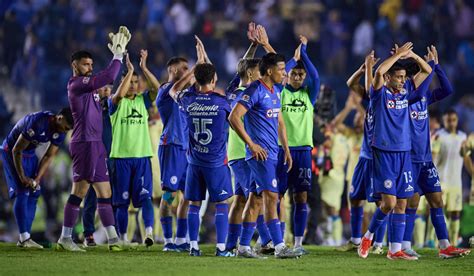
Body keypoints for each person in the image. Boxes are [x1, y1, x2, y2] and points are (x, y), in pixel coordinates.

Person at [57, 26, 131, 252]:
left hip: (96, 144)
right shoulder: (76, 84)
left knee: (105, 193)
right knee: (79, 192)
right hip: (84, 142)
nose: (89, 68)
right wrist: (117, 56)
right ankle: (65, 238)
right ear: (75, 66)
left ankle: (113, 239)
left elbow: (108, 85)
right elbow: (108, 76)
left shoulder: (91, 88)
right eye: (85, 64)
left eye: (91, 65)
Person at [358, 42, 433, 260]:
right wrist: (397, 55)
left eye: (403, 77)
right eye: (398, 77)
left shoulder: (406, 92)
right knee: (388, 203)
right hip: (384, 153)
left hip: (404, 153)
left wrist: (412, 56)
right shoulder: (379, 95)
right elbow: (380, 71)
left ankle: (395, 250)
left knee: (402, 203)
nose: (402, 81)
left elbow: (427, 70)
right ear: (389, 78)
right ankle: (368, 236)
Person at [229, 52, 300, 259]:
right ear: (269, 71)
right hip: (260, 155)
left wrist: (285, 148)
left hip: (273, 152)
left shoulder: (275, 91)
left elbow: (278, 122)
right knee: (272, 197)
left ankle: (242, 247)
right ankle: (279, 247)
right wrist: (251, 144)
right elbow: (234, 117)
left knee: (255, 200)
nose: (284, 73)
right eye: (281, 69)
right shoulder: (255, 89)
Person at [403, 46, 471, 258]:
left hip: (425, 159)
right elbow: (421, 84)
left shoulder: (424, 98)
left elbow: (448, 90)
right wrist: (429, 65)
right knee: (411, 202)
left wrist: (437, 67)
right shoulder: (406, 97)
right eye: (421, 73)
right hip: (409, 158)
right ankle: (404, 246)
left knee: (437, 201)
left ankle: (445, 247)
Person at [169, 37, 233, 256]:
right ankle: (221, 248)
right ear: (214, 79)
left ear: (196, 78)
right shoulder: (222, 101)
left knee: (194, 204)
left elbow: (173, 90)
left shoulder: (187, 99)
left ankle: (193, 246)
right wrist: (204, 60)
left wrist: (198, 63)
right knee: (222, 203)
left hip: (194, 162)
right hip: (216, 162)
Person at [1, 108, 73, 248]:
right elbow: (17, 150)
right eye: (65, 127)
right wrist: (22, 177)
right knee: (22, 192)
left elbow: (48, 156)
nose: (65, 131)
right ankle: (24, 238)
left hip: (30, 155)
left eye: (68, 130)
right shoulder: (38, 122)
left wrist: (37, 179)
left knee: (35, 191)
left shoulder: (61, 131)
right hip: (11, 152)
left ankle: (26, 238)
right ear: (59, 118)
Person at [109, 49, 159, 247]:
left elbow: (158, 89)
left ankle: (148, 233)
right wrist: (129, 71)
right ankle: (122, 239)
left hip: (141, 158)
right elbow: (119, 94)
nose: (133, 85)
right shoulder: (114, 102)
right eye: (130, 81)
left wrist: (143, 68)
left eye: (136, 82)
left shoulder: (142, 101)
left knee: (146, 198)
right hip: (121, 158)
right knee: (122, 203)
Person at [338, 52, 387, 254]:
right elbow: (351, 84)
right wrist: (362, 69)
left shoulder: (384, 98)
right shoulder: (371, 97)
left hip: (377, 157)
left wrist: (369, 69)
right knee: (355, 197)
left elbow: (368, 94)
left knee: (381, 201)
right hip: (364, 157)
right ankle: (356, 239)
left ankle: (378, 243)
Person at [276, 34, 320, 254]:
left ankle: (298, 243)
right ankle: (278, 241)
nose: (297, 76)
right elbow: (281, 73)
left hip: (303, 151)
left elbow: (316, 76)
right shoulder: (280, 93)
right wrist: (293, 58)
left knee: (300, 197)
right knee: (277, 197)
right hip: (282, 150)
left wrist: (304, 52)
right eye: (294, 73)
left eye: (301, 74)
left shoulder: (308, 95)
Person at [156, 55, 192, 252]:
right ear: (174, 70)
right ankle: (168, 240)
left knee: (188, 195)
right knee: (169, 195)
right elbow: (178, 86)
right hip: (171, 146)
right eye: (185, 68)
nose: (188, 70)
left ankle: (180, 239)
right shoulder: (164, 90)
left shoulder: (185, 95)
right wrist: (197, 68)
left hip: (187, 149)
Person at [82, 84, 113, 247]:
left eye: (110, 87)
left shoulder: (115, 108)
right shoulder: (89, 108)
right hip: (94, 158)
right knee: (91, 198)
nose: (107, 90)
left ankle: (114, 234)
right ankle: (88, 234)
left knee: (111, 198)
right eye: (103, 87)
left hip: (113, 158)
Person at [435, 109, 468, 247]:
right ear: (444, 121)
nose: (451, 123)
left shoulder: (463, 137)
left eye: (454, 120)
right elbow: (434, 157)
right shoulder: (438, 136)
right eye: (448, 120)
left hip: (456, 182)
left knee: (455, 213)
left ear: (457, 121)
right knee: (439, 211)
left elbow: (465, 157)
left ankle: (453, 243)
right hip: (441, 180)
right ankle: (437, 243)